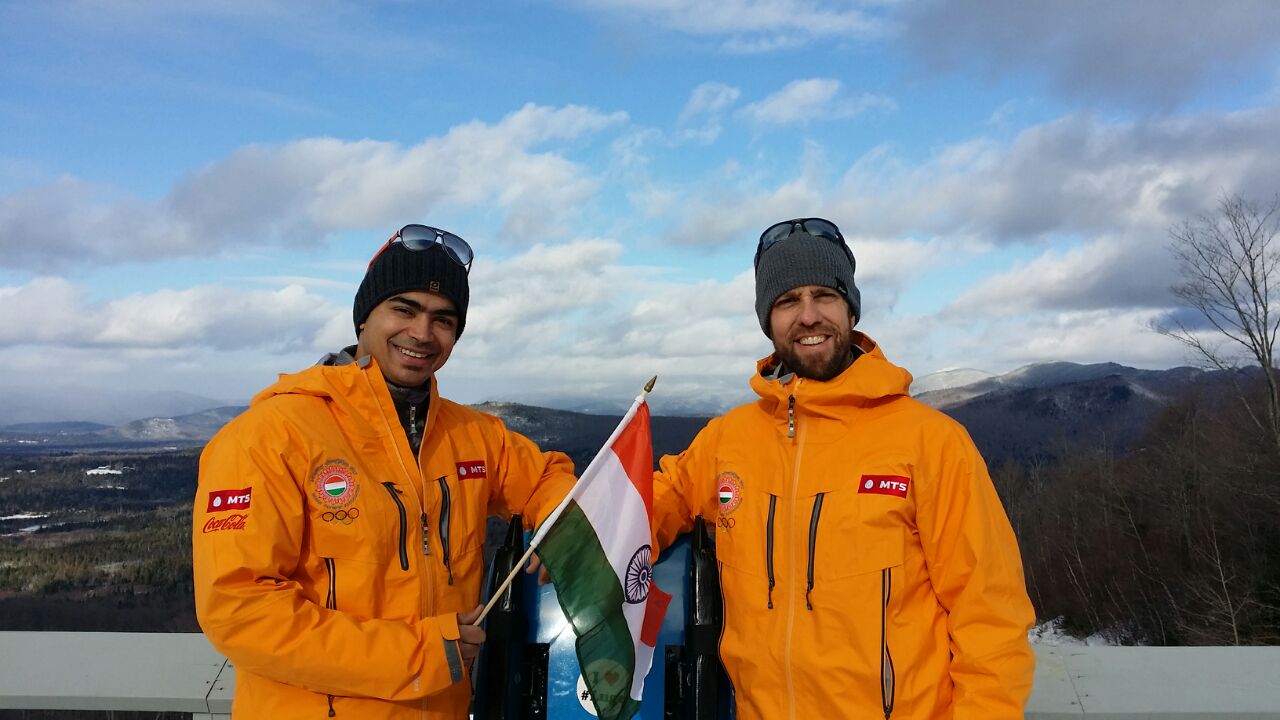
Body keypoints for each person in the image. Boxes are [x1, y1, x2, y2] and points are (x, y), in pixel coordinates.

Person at [651, 218, 1036, 719]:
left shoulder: (930, 442)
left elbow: (990, 616)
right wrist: (589, 545)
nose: (808, 316)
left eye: (824, 296)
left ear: (850, 309)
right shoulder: (731, 439)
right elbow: (663, 496)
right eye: (787, 301)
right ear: (767, 320)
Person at [192, 224, 575, 719]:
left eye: (443, 320)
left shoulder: (473, 434)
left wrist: (560, 524)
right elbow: (239, 610)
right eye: (404, 309)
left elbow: (548, 479)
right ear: (363, 318)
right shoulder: (270, 435)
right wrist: (421, 655)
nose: (422, 333)